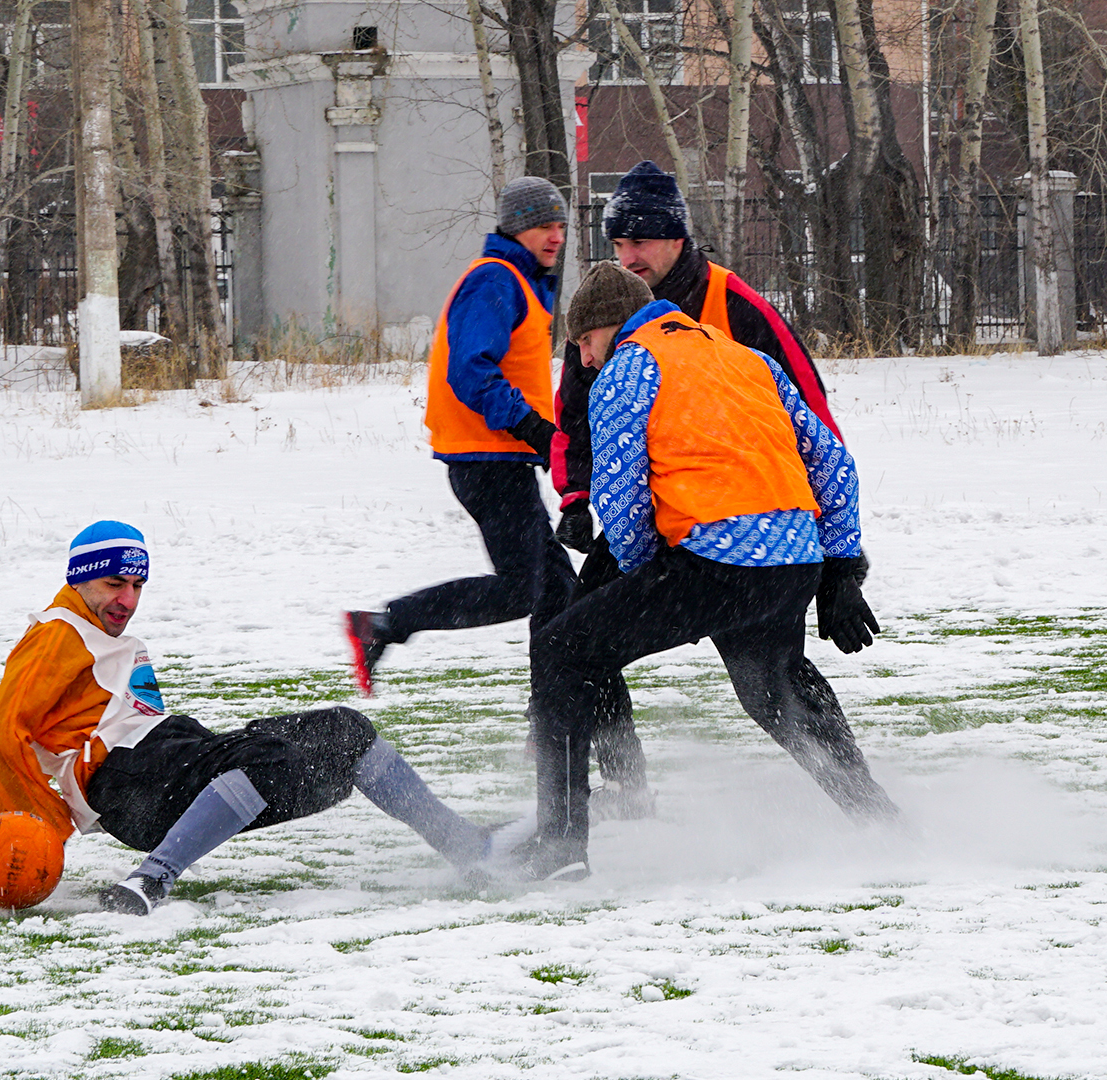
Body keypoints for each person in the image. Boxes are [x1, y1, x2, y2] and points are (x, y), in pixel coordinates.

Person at [503, 264, 896, 883]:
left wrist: (635, 575)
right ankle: (880, 822)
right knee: (776, 687)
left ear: (609, 327)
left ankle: (560, 848)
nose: (580, 358)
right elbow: (832, 461)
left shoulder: (629, 369)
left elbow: (622, 494)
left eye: (582, 341)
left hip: (715, 564)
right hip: (791, 562)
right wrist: (841, 568)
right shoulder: (745, 360)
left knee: (563, 651)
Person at [0, 521, 510, 914]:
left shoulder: (90, 629)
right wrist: (32, 828)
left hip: (169, 756)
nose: (127, 600)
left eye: (136, 585)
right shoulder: (59, 633)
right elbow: (0, 732)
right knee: (273, 757)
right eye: (113, 583)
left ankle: (469, 849)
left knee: (344, 731)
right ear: (78, 577)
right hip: (129, 780)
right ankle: (150, 880)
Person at [548, 161, 847, 819]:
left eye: (640, 243)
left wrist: (836, 560)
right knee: (567, 630)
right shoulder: (605, 312)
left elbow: (812, 415)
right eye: (618, 244)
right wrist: (573, 497)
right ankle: (626, 788)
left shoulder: (734, 304)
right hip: (653, 519)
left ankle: (863, 804)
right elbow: (575, 407)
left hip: (736, 523)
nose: (628, 257)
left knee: (768, 683)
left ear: (677, 236)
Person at [343, 176, 578, 695]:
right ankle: (384, 624)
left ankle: (558, 718)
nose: (556, 236)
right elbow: (472, 373)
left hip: (501, 461)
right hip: (488, 462)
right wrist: (531, 426)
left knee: (562, 595)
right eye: (544, 225)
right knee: (524, 591)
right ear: (517, 229)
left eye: (561, 225)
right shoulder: (495, 281)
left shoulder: (518, 280)